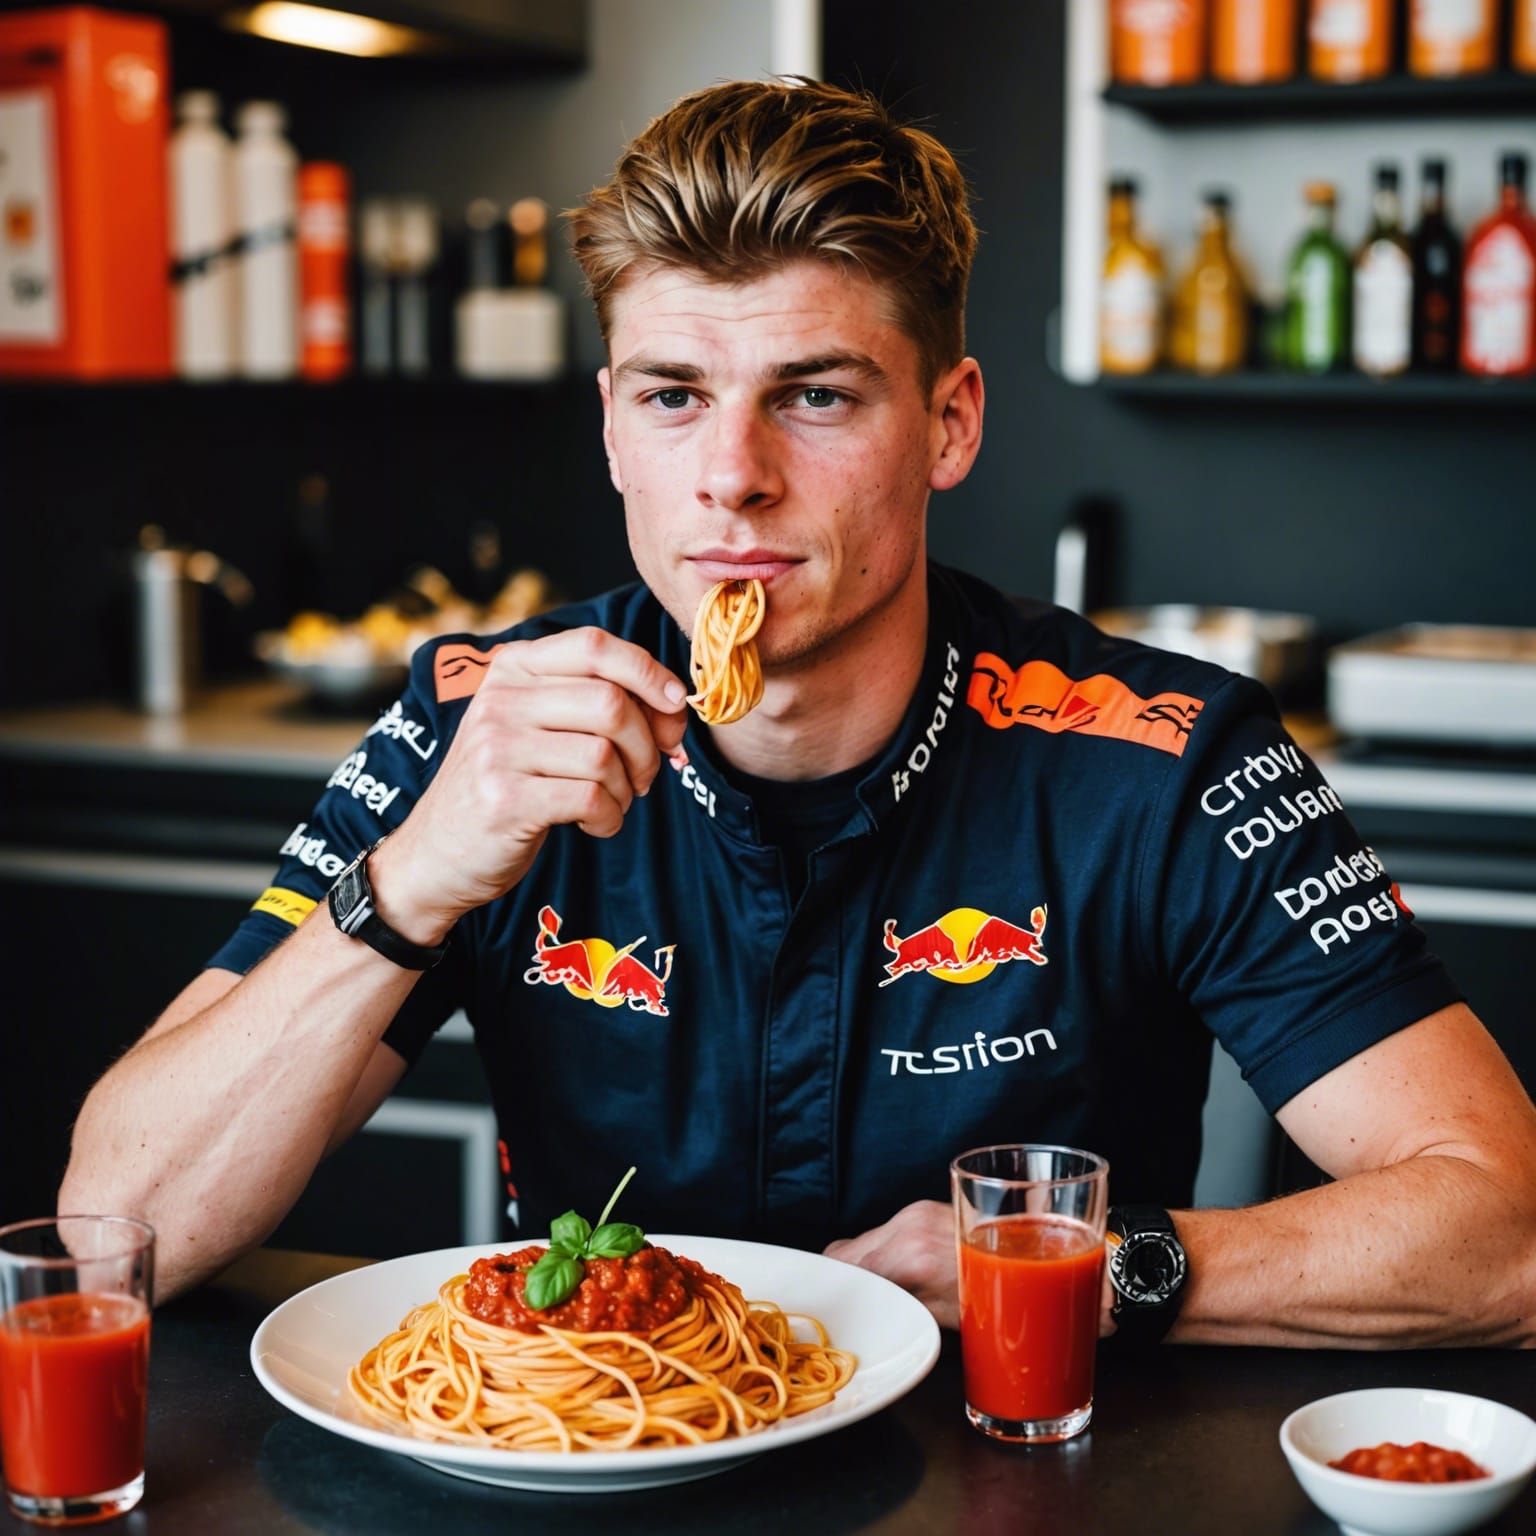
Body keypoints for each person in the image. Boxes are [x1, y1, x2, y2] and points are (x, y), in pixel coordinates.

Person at [62, 80, 1536, 1348]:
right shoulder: (479, 725)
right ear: (610, 428)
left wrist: (1082, 1264)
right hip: (591, 1451)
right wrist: (414, 880)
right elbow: (117, 1230)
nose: (733, 475)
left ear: (949, 423)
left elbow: (1505, 1229)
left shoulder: (1164, 754)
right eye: (673, 395)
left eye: (815, 396)